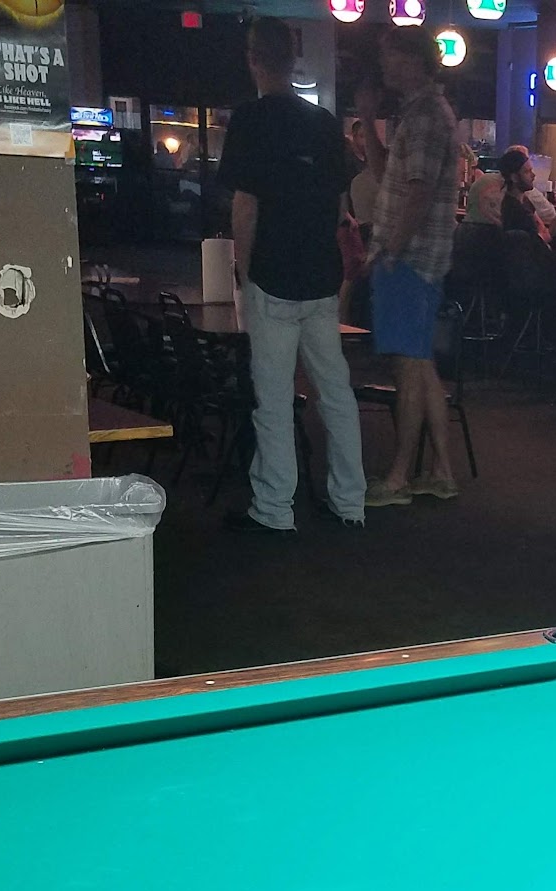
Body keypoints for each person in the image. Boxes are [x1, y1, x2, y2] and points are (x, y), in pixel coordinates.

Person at [215, 16, 367, 533]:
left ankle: (275, 508)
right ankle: (350, 502)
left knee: (275, 399)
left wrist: (244, 271)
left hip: (273, 275)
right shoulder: (323, 123)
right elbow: (339, 206)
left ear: (253, 59)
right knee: (336, 392)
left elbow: (245, 206)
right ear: (292, 59)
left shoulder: (250, 120)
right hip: (320, 276)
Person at [361, 28, 460, 505]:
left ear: (414, 60)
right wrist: (367, 120)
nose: (384, 64)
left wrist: (390, 251)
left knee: (409, 366)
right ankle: (441, 472)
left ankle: (399, 476)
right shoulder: (424, 113)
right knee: (421, 364)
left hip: (410, 260)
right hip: (421, 260)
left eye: (391, 55)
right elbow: (387, 177)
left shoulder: (424, 117)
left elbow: (418, 193)